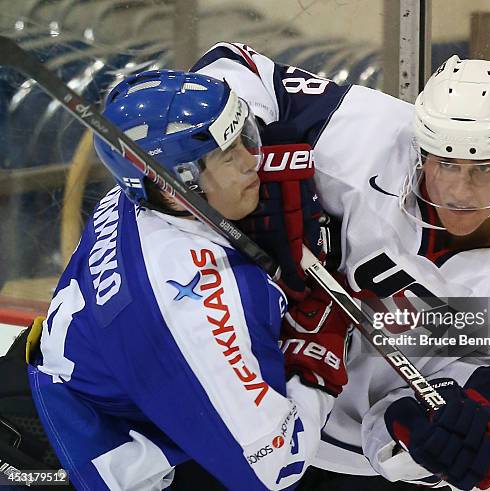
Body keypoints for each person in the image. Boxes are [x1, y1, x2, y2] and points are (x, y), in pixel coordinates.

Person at [191, 43, 490, 490]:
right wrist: (259, 161)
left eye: (484, 169)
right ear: (421, 150)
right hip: (239, 402)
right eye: (445, 165)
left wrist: (414, 434)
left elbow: (454, 446)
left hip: (343, 467)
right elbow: (232, 61)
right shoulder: (366, 133)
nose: (460, 193)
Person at [25, 70, 351, 490]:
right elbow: (276, 469)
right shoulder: (196, 306)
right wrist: (313, 371)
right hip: (74, 461)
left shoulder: (130, 195)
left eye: (243, 138)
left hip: (61, 398)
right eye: (227, 154)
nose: (252, 161)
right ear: (178, 183)